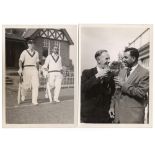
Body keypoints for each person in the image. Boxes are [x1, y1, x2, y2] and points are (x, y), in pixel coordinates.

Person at [109, 47, 149, 123]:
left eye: (126, 57)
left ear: (133, 58)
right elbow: (116, 92)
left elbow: (140, 93)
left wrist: (123, 84)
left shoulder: (145, 73)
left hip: (133, 117)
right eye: (123, 57)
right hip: (117, 117)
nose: (123, 59)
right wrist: (112, 107)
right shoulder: (122, 71)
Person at [81, 50, 115, 123]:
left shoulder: (110, 75)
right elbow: (83, 88)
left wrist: (112, 107)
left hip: (105, 116)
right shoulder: (87, 73)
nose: (109, 61)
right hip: (90, 116)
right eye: (106, 59)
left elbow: (113, 93)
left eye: (109, 58)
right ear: (98, 60)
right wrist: (97, 76)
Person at [18, 39, 40, 105]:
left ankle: (34, 100)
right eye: (30, 43)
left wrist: (38, 71)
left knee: (36, 85)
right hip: (26, 68)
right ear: (28, 44)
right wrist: (20, 68)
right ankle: (23, 95)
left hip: (34, 69)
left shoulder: (36, 53)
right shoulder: (24, 52)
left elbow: (37, 63)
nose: (32, 45)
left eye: (33, 43)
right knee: (25, 85)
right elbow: (20, 61)